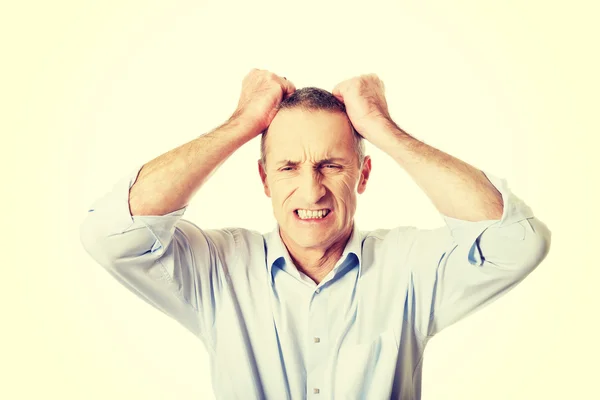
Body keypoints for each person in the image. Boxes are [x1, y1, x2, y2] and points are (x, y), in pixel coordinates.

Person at [79, 68, 551, 399]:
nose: (312, 189)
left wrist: (382, 128)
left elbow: (517, 243)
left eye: (332, 165)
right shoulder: (216, 269)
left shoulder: (409, 266)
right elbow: (110, 233)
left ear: (363, 175)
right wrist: (241, 124)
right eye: (288, 166)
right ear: (264, 179)